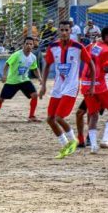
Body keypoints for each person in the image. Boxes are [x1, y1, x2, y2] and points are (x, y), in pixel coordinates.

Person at [39, 20, 95, 159]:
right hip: (58, 86)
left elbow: (91, 65)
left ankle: (74, 140)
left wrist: (92, 86)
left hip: (71, 86)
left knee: (59, 117)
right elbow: (47, 66)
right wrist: (44, 85)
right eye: (62, 30)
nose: (64, 33)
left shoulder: (78, 47)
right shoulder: (53, 47)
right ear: (59, 31)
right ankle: (65, 144)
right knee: (50, 119)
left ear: (71, 31)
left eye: (66, 30)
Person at [80, 26, 108, 153]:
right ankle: (105, 140)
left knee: (93, 115)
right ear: (107, 36)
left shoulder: (93, 45)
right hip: (100, 85)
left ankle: (93, 146)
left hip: (86, 84)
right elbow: (106, 69)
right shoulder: (107, 50)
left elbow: (83, 56)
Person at [0, 37, 41, 122]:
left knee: (34, 95)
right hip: (12, 81)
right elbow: (7, 64)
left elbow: (35, 68)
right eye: (27, 43)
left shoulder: (33, 57)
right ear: (23, 44)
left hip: (24, 80)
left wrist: (40, 78)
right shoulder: (17, 55)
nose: (28, 46)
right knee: (1, 99)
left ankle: (31, 116)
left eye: (30, 44)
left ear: (33, 45)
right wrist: (5, 75)